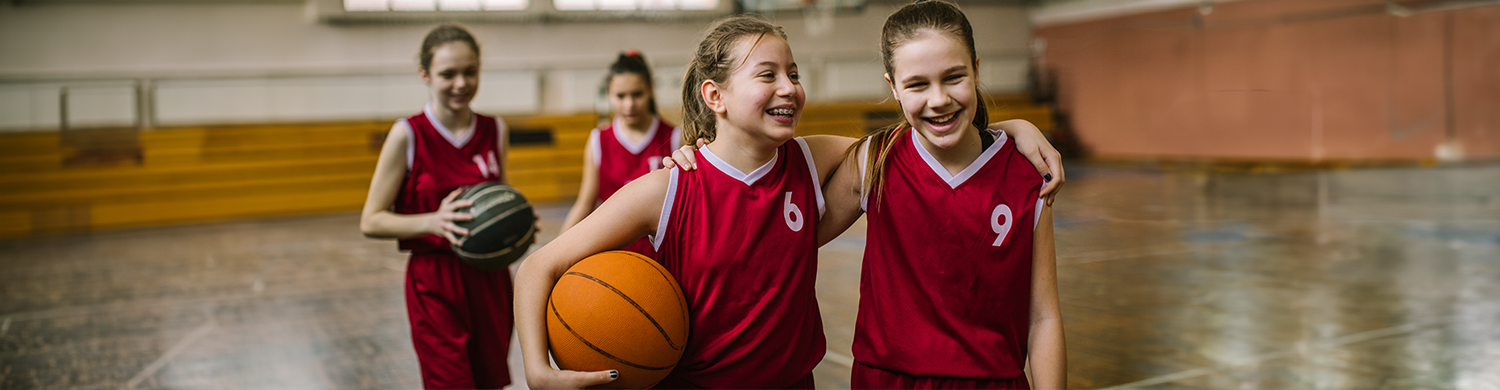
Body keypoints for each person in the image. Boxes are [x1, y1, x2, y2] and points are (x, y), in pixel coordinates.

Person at [816, 1, 1065, 388]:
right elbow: (791, 241)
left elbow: (1043, 317)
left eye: (953, 78)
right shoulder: (874, 162)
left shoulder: (1027, 176)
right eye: (917, 84)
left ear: (977, 70)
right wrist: (693, 154)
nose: (938, 99)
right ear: (893, 88)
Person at [357, 23, 515, 390]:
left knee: (491, 381)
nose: (461, 83)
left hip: (490, 277)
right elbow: (371, 220)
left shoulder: (496, 129)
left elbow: (500, 196)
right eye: (448, 74)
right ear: (425, 74)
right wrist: (434, 221)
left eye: (470, 72)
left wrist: (515, 225)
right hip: (435, 280)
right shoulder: (407, 133)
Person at [560, 50, 680, 257]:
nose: (629, 104)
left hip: (662, 254)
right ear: (608, 93)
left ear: (651, 89)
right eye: (621, 96)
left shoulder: (675, 137)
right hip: (612, 253)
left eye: (637, 94)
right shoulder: (599, 140)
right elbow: (585, 203)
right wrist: (557, 249)